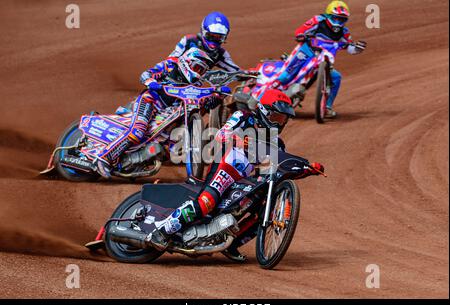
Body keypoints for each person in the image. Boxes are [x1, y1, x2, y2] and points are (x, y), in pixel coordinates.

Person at [146, 89, 324, 260]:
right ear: (264, 111)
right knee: (206, 203)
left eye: (283, 119)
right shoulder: (244, 117)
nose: (280, 123)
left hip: (245, 179)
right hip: (226, 167)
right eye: (277, 117)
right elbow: (220, 136)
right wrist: (240, 140)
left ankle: (232, 244)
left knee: (261, 210)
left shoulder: (278, 143)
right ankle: (161, 232)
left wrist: (306, 169)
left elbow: (278, 166)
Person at [95, 48, 221, 178]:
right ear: (187, 63)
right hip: (152, 101)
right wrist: (151, 82)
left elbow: (202, 103)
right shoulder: (170, 65)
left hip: (171, 112)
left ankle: (134, 161)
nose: (198, 73)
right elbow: (146, 74)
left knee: (167, 150)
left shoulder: (196, 83)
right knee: (138, 131)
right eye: (197, 68)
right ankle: (104, 158)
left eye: (202, 70)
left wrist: (216, 98)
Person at [256, 1, 366, 118]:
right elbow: (300, 31)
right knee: (284, 76)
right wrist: (301, 35)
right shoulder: (317, 21)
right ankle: (258, 100)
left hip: (323, 61)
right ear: (328, 16)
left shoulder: (344, 32)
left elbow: (350, 48)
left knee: (336, 77)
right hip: (305, 54)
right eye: (336, 18)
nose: (338, 23)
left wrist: (358, 48)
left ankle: (327, 107)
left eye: (342, 20)